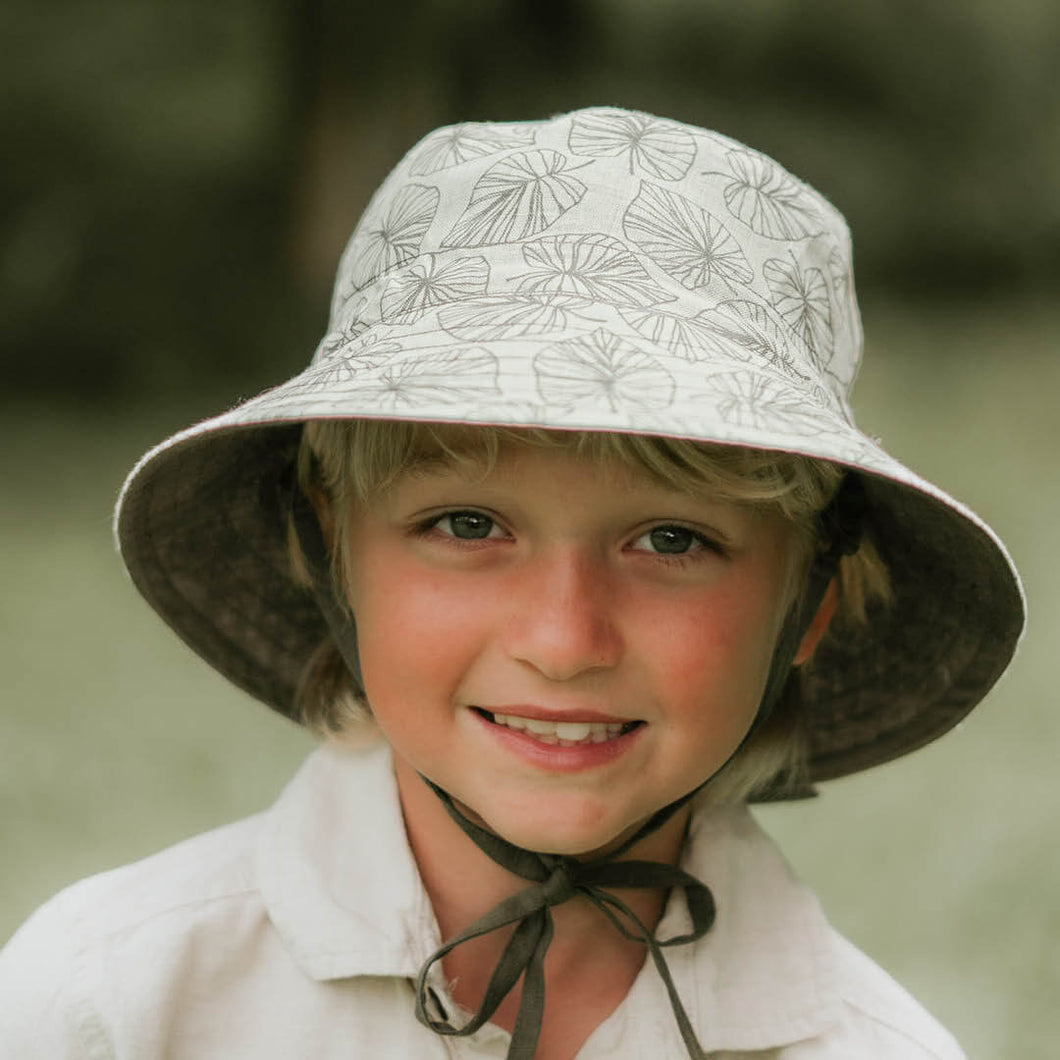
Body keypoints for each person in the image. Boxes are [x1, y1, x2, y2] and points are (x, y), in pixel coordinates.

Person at [0, 107, 1023, 1058]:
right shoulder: (110, 1003)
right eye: (467, 524)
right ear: (330, 553)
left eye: (670, 540)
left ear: (809, 608)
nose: (564, 637)